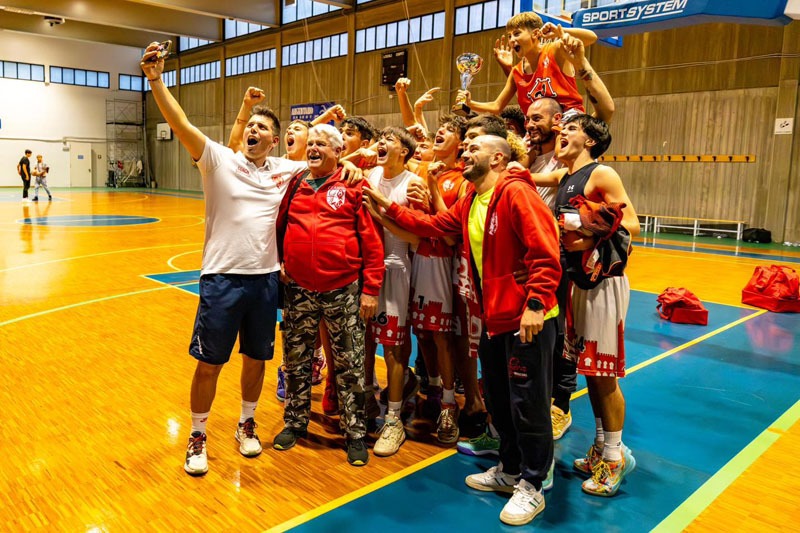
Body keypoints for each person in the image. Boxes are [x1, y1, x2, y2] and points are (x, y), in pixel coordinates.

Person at [365, 135, 561, 526]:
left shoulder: (517, 193)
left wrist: (536, 303)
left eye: (475, 149)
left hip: (528, 317)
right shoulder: (472, 200)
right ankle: (509, 468)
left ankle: (534, 483)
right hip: (495, 316)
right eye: (466, 147)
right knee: (501, 399)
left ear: (499, 158)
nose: (466, 153)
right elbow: (433, 225)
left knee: (529, 403)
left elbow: (546, 250)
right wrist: (388, 206)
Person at [141, 45, 308, 477]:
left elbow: (328, 161)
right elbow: (179, 123)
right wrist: (156, 79)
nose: (252, 130)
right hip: (221, 280)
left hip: (266, 280)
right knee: (210, 362)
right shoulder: (218, 160)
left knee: (257, 360)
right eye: (249, 125)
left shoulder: (285, 170)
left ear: (274, 139)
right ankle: (197, 436)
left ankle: (246, 422)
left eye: (261, 128)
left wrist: (349, 165)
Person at [532, 113, 639, 497]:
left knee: (602, 374)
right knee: (588, 370)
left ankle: (614, 457)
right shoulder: (564, 178)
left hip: (603, 283)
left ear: (591, 140)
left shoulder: (602, 174)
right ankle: (601, 447)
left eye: (572, 128)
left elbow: (633, 225)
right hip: (577, 283)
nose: (562, 133)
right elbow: (527, 178)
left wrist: (583, 227)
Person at [272, 125, 384, 466]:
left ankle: (354, 433)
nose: (314, 148)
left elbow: (371, 240)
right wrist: (280, 262)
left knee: (349, 365)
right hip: (299, 289)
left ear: (338, 153)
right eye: (312, 143)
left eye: (322, 144)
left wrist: (371, 290)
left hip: (343, 289)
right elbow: (279, 226)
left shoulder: (353, 183)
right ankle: (295, 422)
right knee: (296, 361)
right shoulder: (296, 184)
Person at [365, 126, 424, 457]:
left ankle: (394, 419)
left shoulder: (411, 184)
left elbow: (417, 238)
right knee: (363, 343)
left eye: (390, 140)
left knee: (393, 348)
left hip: (396, 268)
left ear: (404, 151)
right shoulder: (368, 174)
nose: (382, 143)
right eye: (380, 139)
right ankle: (367, 402)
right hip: (365, 270)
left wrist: (380, 217)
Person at [458, 14, 596, 116]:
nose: (512, 40)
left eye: (517, 34)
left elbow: (591, 37)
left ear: (535, 34)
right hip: (539, 130)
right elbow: (496, 106)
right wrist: (470, 103)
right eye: (510, 36)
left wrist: (561, 32)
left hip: (568, 120)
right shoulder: (517, 71)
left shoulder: (554, 50)